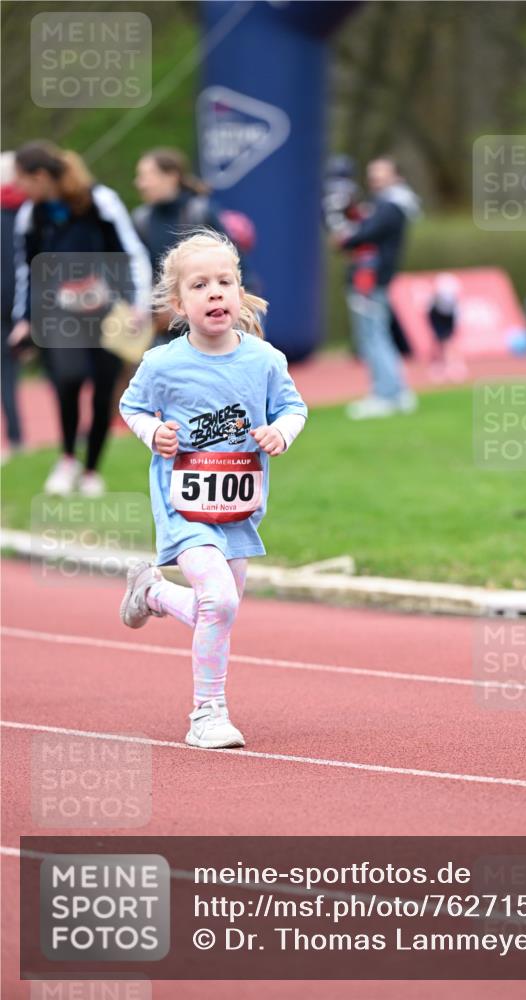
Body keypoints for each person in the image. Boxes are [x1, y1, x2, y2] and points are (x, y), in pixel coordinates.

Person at [118, 230, 307, 749]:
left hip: (239, 508)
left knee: (219, 611)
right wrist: (152, 433)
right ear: (179, 303)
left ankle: (152, 591)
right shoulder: (162, 364)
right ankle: (207, 713)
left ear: (240, 292)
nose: (216, 292)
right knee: (218, 603)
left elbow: (294, 407)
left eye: (225, 281)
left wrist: (281, 432)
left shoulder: (265, 360)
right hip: (185, 508)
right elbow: (131, 407)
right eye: (200, 285)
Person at [9, 141, 152, 495]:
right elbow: (27, 271)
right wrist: (23, 319)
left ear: (40, 176)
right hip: (59, 314)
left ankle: (91, 471)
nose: (18, 189)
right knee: (68, 382)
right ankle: (69, 457)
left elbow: (131, 252)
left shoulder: (100, 201)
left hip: (109, 311)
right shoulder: (32, 214)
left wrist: (139, 303)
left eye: (22, 181)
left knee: (104, 390)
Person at [133, 148, 258, 343]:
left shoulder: (200, 212)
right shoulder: (141, 220)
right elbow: (141, 274)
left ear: (171, 177)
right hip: (164, 328)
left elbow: (237, 266)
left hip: (208, 318)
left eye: (146, 176)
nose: (140, 184)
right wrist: (154, 310)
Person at [333, 156, 420, 419]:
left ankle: (385, 394)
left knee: (372, 336)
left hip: (370, 279)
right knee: (378, 334)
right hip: (373, 278)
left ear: (397, 176)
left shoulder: (390, 206)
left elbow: (364, 234)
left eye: (382, 173)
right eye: (372, 174)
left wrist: (345, 237)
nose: (375, 179)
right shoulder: (388, 204)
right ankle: (396, 390)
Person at [1, 152, 26, 458]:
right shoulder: (34, 212)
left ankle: (16, 439)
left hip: (15, 310)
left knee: (6, 377)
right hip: (34, 306)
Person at [427, 272, 467, 383]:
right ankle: (438, 366)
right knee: (438, 341)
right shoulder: (433, 303)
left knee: (449, 341)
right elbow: (430, 313)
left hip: (448, 316)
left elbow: (456, 313)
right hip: (437, 316)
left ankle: (455, 365)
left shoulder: (454, 303)